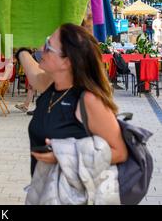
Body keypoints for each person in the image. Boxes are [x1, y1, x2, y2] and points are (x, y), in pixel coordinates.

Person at [15, 23, 128, 177]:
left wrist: (64, 157)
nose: (42, 48)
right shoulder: (52, 88)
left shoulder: (89, 100)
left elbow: (120, 152)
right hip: (45, 193)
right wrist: (21, 49)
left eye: (49, 46)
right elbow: (33, 74)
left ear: (66, 62)